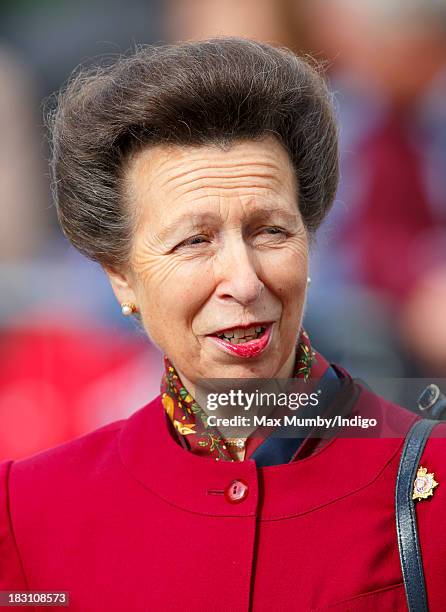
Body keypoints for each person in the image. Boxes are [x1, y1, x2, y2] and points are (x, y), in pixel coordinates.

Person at [0, 38, 445, 611]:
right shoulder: (30, 511)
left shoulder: (427, 484)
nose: (244, 279)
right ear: (121, 278)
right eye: (194, 241)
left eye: (271, 231)